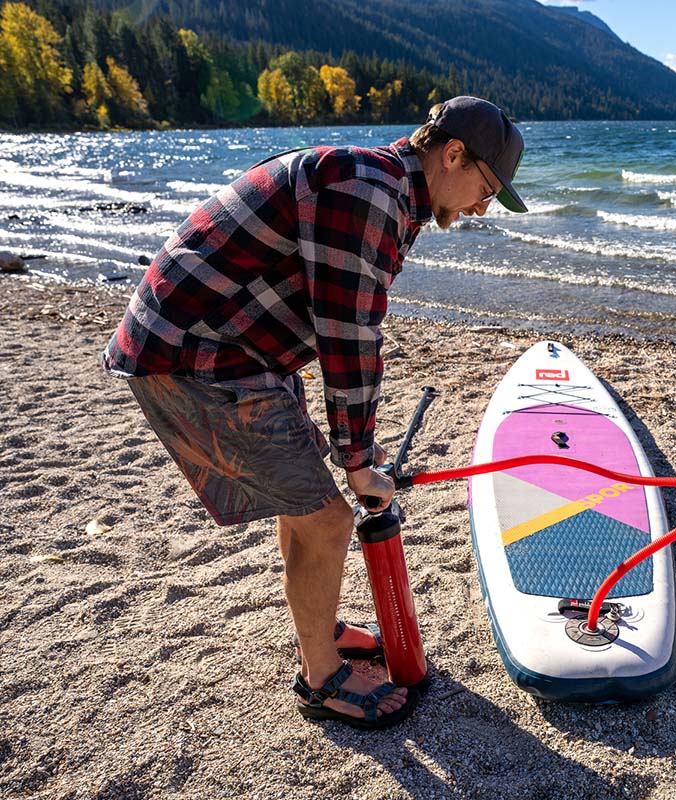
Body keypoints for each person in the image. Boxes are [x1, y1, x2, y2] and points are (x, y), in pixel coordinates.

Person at [101, 96, 527, 730]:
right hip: (196, 356)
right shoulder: (370, 195)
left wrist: (356, 448)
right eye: (486, 189)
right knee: (328, 519)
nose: (482, 208)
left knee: (306, 504)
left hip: (236, 349)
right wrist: (356, 462)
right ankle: (321, 679)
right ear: (453, 154)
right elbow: (348, 337)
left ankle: (318, 632)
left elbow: (340, 323)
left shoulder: (381, 186)